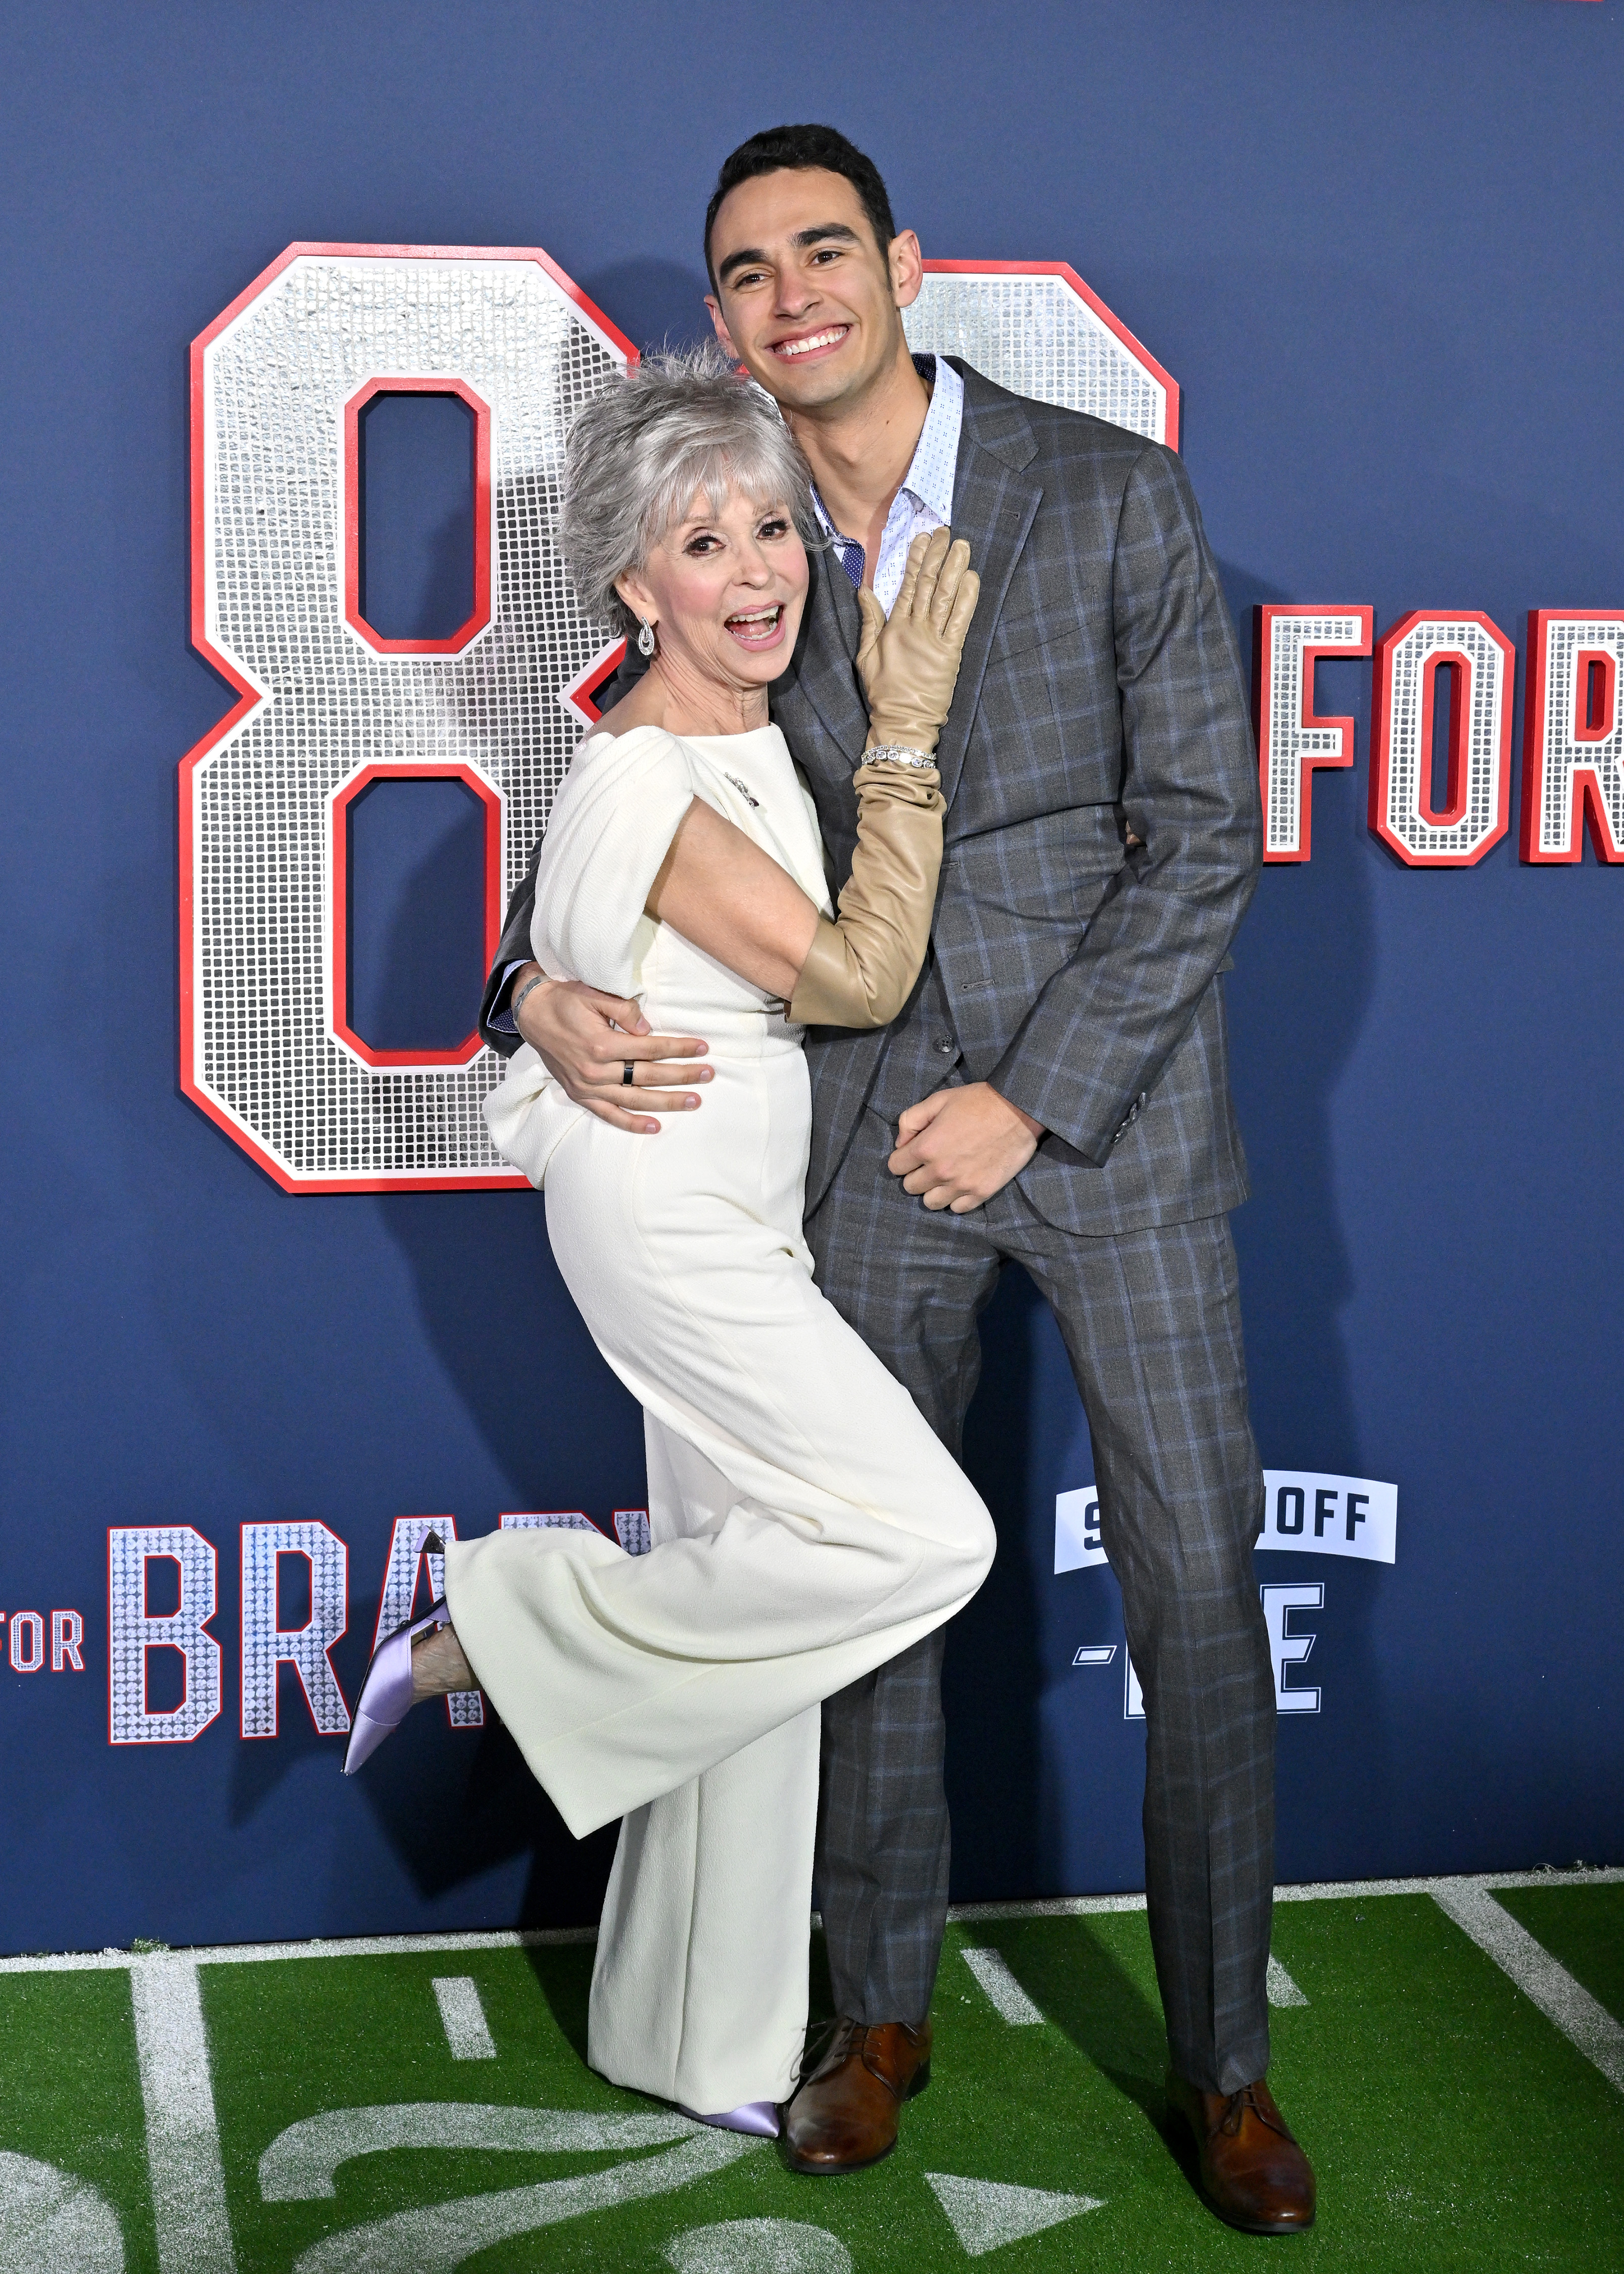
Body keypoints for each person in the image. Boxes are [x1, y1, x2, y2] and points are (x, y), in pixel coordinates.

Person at [485, 126, 1316, 2233]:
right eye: (749, 272)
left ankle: (1225, 2068)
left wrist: (1032, 1099)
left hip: (1103, 1136)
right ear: (725, 316)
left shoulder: (1109, 491)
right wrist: (525, 987)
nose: (794, 298)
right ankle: (874, 2020)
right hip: (853, 1150)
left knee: (1202, 1605)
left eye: (825, 253)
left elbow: (1202, 838)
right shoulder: (740, 537)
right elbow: (617, 803)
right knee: (869, 1594)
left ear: (906, 268)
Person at [345, 344, 994, 2140]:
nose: (759, 568)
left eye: (773, 526)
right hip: (667, 1214)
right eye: (704, 544)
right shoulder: (654, 773)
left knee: (754, 1642)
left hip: (730, 1206)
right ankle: (500, 1622)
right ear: (635, 585)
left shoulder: (734, 731)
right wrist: (918, 726)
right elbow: (857, 974)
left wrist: (523, 984)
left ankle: (689, 2041)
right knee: (929, 1534)